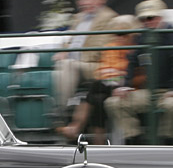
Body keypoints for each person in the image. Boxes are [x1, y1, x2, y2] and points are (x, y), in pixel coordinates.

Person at [104, 0, 173, 143]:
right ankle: (134, 141)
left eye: (151, 17)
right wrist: (125, 85)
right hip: (150, 92)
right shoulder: (141, 37)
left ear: (161, 17)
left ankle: (167, 143)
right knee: (114, 103)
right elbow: (132, 62)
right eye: (142, 19)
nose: (147, 21)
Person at [57, 14, 137, 144]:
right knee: (97, 98)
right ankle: (96, 137)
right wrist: (114, 73)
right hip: (108, 84)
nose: (120, 37)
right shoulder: (111, 47)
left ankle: (77, 127)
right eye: (117, 34)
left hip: (126, 84)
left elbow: (129, 70)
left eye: (124, 34)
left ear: (132, 35)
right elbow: (103, 70)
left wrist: (116, 73)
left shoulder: (135, 49)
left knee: (94, 88)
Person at [52, 0, 119, 112]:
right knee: (53, 65)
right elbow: (67, 41)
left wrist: (70, 54)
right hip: (76, 63)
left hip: (96, 65)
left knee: (67, 64)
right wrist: (64, 51)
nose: (83, 2)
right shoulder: (78, 18)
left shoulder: (110, 19)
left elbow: (100, 50)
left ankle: (59, 110)